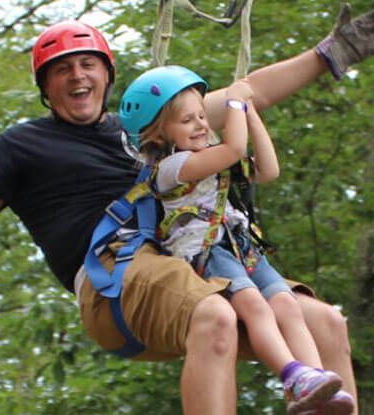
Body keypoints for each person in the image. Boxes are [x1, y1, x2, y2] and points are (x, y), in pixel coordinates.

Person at [0, 4, 374, 414]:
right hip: (117, 278)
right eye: (62, 71)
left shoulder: (150, 129)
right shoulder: (24, 147)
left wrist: (328, 54)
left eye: (88, 65)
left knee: (324, 323)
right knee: (212, 314)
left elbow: (247, 93)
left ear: (107, 75)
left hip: (192, 262)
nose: (77, 77)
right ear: (45, 88)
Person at [118, 65, 353, 413]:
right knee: (255, 307)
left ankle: (317, 384)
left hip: (241, 246)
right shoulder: (170, 168)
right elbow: (233, 149)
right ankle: (292, 375)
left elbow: (268, 170)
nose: (201, 125)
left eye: (202, 116)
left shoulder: (209, 157)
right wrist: (234, 104)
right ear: (159, 134)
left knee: (287, 305)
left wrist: (250, 112)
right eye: (187, 120)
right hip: (207, 252)